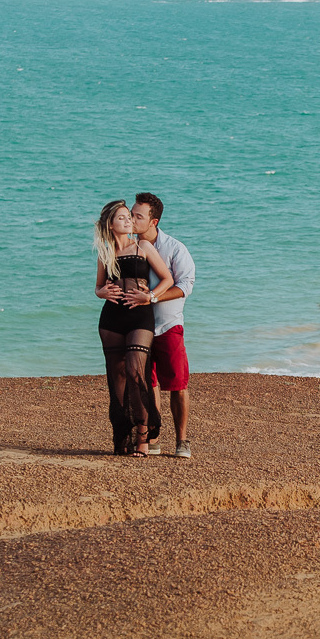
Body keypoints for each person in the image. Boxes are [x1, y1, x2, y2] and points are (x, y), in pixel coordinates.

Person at [94, 200, 174, 457]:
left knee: (135, 370)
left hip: (140, 316)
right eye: (122, 218)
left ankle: (143, 436)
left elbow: (167, 279)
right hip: (112, 319)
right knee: (116, 378)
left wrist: (150, 296)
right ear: (110, 224)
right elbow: (98, 288)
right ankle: (122, 438)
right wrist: (101, 292)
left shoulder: (143, 246)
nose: (128, 221)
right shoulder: (104, 253)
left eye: (129, 217)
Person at [130, 192, 196, 459]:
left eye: (138, 216)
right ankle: (154, 438)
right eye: (131, 214)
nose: (132, 220)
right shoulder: (128, 246)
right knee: (148, 384)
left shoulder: (175, 248)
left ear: (153, 221)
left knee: (178, 384)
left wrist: (153, 297)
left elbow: (185, 285)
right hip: (140, 326)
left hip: (168, 325)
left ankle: (182, 441)